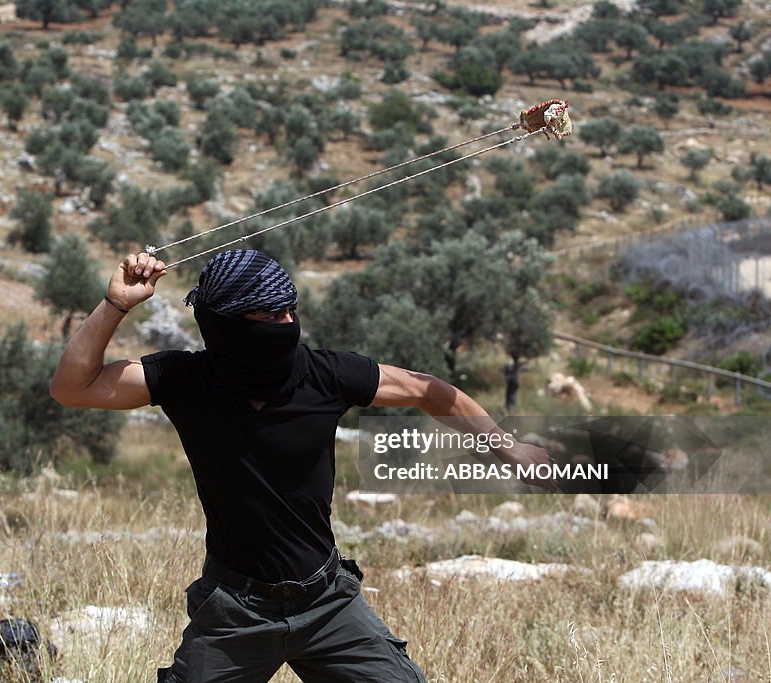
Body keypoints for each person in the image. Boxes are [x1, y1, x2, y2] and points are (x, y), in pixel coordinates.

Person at [50, 248, 557, 682]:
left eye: (290, 311)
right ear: (226, 325)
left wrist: (507, 449)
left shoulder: (325, 375)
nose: (287, 324)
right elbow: (72, 388)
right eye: (270, 316)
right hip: (233, 610)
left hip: (328, 602)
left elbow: (429, 391)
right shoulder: (184, 380)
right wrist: (116, 304)